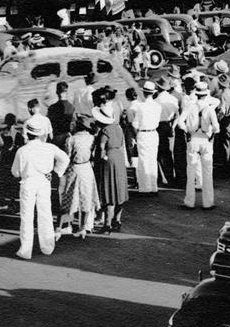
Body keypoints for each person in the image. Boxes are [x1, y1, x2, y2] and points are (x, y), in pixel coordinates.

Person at [10, 113, 67, 258]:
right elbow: (65, 159)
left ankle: (25, 250)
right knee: (45, 214)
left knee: (26, 216)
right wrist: (55, 173)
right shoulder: (50, 148)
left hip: (28, 183)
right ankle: (47, 247)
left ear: (27, 134)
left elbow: (15, 172)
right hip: (44, 182)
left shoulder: (22, 151)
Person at [179, 81, 219, 210]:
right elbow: (217, 128)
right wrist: (210, 135)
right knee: (208, 171)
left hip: (193, 139)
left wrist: (187, 131)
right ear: (206, 93)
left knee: (191, 172)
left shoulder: (190, 107)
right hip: (205, 140)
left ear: (196, 93)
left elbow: (180, 123)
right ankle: (208, 202)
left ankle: (189, 201)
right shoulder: (209, 108)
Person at [92, 97, 129, 233]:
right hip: (119, 157)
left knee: (109, 192)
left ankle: (107, 224)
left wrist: (101, 158)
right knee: (119, 191)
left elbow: (101, 147)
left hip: (109, 159)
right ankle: (117, 221)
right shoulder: (118, 128)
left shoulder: (105, 131)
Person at [61, 118, 101, 238]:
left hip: (75, 168)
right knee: (86, 197)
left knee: (70, 197)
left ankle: (68, 224)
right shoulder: (92, 138)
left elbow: (67, 156)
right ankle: (83, 227)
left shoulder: (71, 139)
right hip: (87, 168)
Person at [127, 81, 162, 193]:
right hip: (154, 133)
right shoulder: (158, 106)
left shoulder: (140, 107)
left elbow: (135, 124)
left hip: (143, 133)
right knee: (152, 159)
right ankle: (153, 186)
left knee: (143, 161)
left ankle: (145, 188)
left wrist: (136, 134)